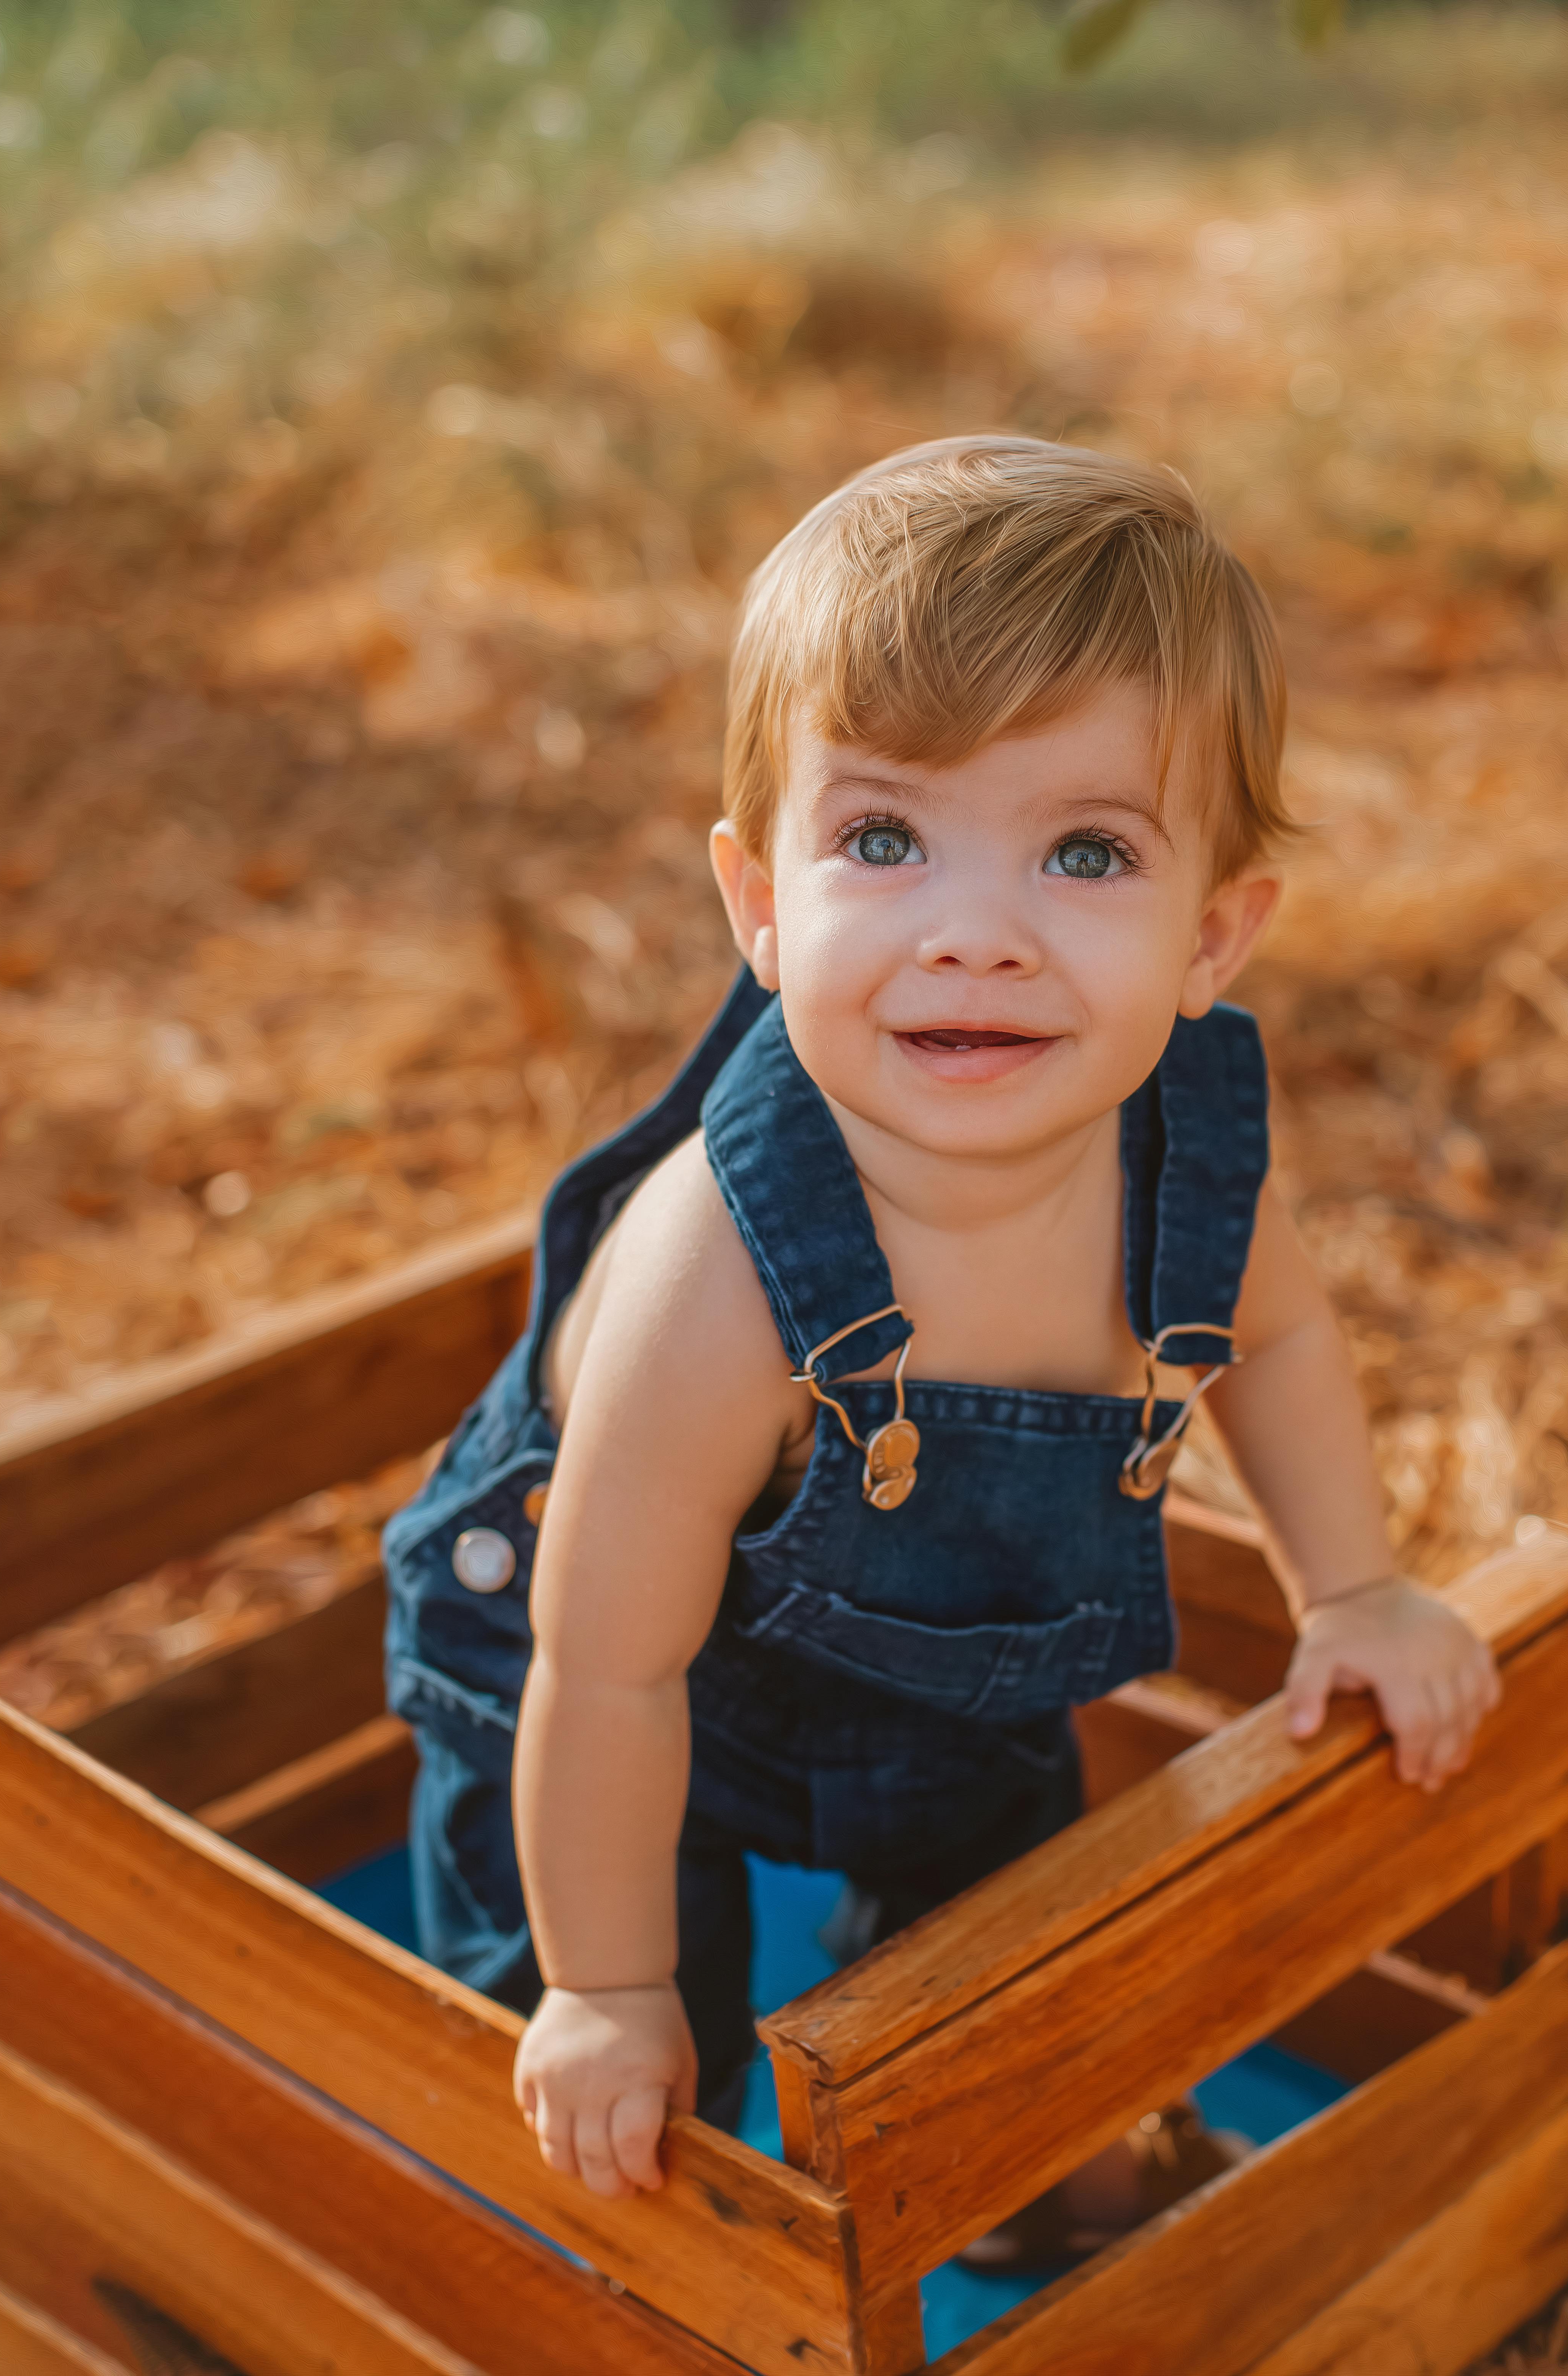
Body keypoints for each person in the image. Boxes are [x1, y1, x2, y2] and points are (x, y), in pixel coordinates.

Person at [381, 436, 1500, 2250]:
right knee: (620, 2094)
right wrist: (610, 1985)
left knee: (1010, 1972)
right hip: (584, 1670)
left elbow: (1278, 1343)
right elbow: (607, 1673)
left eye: (1082, 853)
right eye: (883, 840)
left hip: (938, 1659)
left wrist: (1352, 1588)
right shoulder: (722, 1271)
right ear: (760, 903)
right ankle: (610, 2225)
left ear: (1215, 933)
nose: (974, 936)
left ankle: (1014, 2195)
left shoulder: (1182, 1165)